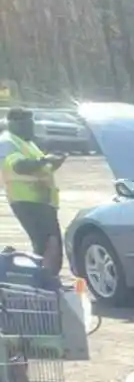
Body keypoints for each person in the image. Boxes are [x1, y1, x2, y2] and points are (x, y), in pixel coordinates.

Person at [4, 108, 66, 276]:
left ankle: (45, 279)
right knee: (47, 243)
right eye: (27, 123)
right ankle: (44, 279)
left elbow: (42, 169)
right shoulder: (7, 142)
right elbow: (20, 166)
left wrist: (54, 162)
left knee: (49, 244)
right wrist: (44, 159)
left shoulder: (27, 142)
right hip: (26, 200)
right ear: (15, 124)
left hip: (42, 200)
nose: (31, 127)